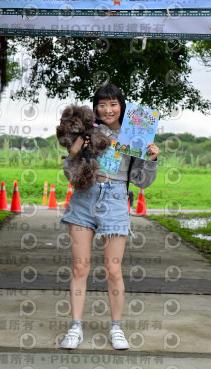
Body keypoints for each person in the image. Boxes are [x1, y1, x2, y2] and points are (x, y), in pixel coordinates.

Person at [59, 84, 159, 350]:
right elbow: (71, 174)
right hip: (84, 198)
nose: (108, 109)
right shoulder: (86, 131)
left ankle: (116, 328)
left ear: (122, 106)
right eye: (102, 104)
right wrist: (73, 152)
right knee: (80, 267)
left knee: (113, 269)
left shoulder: (134, 133)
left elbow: (140, 181)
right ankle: (75, 327)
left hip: (115, 199)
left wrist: (151, 158)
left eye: (113, 104)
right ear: (95, 107)